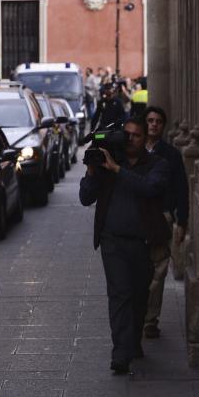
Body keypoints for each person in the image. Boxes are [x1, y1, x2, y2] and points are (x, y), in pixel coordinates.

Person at [79, 117, 170, 375]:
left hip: (143, 243)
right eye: (126, 135)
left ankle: (132, 342)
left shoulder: (157, 165)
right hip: (113, 241)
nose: (130, 140)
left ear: (145, 140)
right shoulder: (106, 165)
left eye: (136, 136)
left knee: (140, 296)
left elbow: (150, 188)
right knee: (120, 294)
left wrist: (118, 169)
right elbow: (86, 198)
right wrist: (92, 171)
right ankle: (120, 354)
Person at [142, 106, 189, 339]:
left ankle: (150, 320)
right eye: (150, 120)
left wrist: (182, 221)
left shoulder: (171, 154)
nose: (153, 124)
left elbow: (182, 188)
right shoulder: (134, 151)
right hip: (136, 217)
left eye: (158, 121)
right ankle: (137, 315)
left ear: (164, 125)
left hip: (162, 216)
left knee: (158, 271)